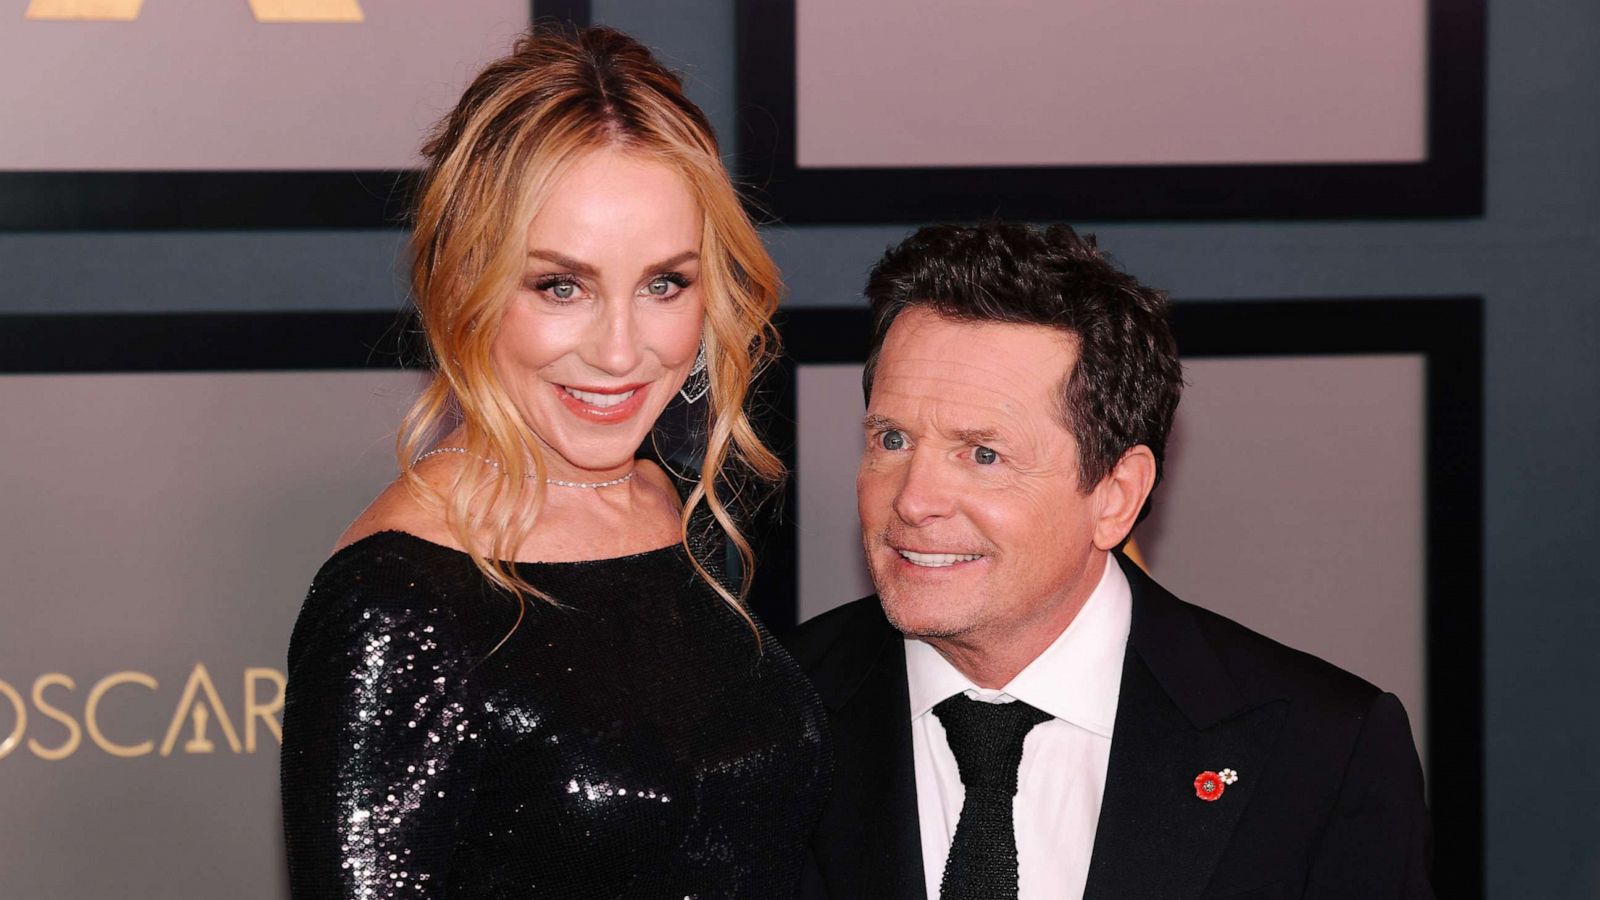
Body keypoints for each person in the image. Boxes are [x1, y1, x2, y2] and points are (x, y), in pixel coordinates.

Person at [279, 27, 829, 899]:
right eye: (560, 286)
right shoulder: (396, 601)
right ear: (468, 282)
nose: (621, 352)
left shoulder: (673, 501)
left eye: (664, 284)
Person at [788, 223, 1433, 899]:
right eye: (892, 439)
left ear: (1115, 497)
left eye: (984, 455)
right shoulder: (760, 715)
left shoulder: (1322, 752)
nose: (914, 501)